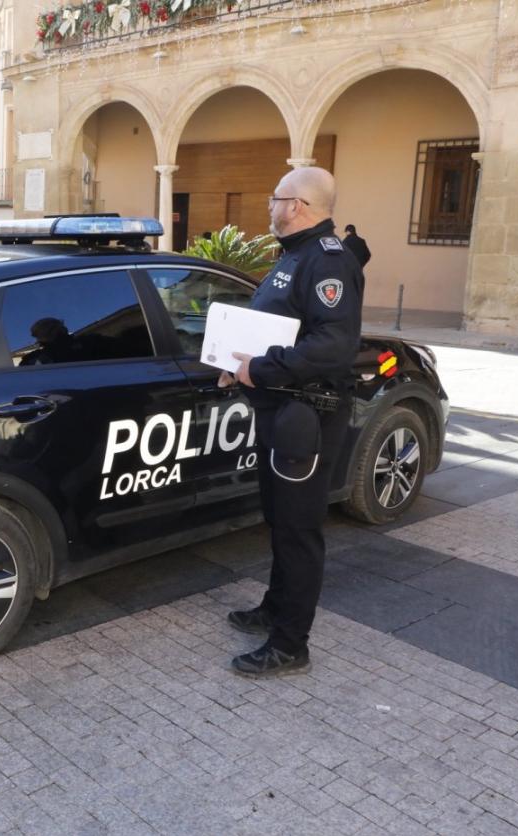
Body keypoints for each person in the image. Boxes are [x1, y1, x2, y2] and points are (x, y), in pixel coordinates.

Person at [218, 166, 362, 678]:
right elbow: (284, 330)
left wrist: (258, 368)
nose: (269, 206)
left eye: (275, 198)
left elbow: (332, 344)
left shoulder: (327, 262)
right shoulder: (296, 255)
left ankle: (290, 643)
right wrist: (240, 370)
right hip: (281, 408)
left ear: (298, 204)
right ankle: (275, 609)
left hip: (307, 413)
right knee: (280, 518)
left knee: (299, 529)